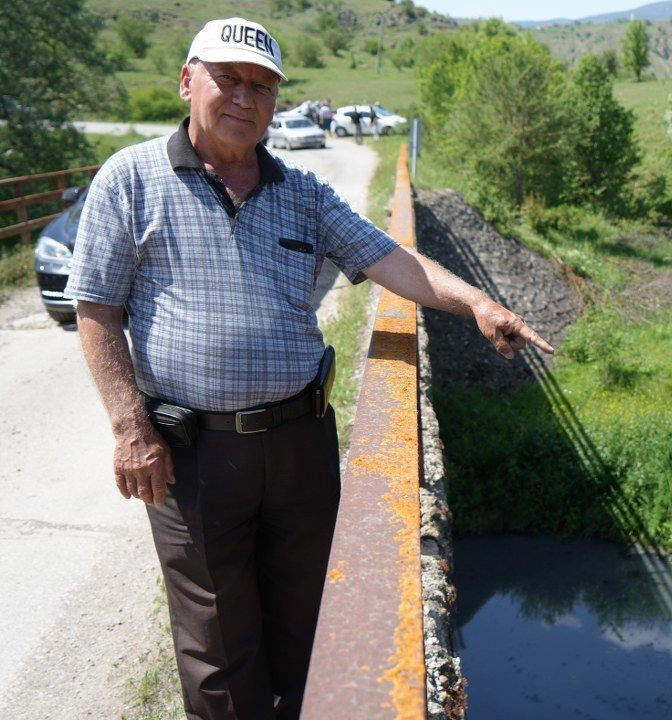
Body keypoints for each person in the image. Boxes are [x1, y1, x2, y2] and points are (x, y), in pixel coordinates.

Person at [64, 16, 552, 720]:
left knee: (310, 618)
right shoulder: (130, 179)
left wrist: (476, 302)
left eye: (261, 86)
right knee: (217, 645)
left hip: (299, 445)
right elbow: (97, 308)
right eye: (228, 78)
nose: (245, 97)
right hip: (190, 453)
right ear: (186, 80)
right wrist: (129, 429)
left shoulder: (301, 192)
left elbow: (395, 261)